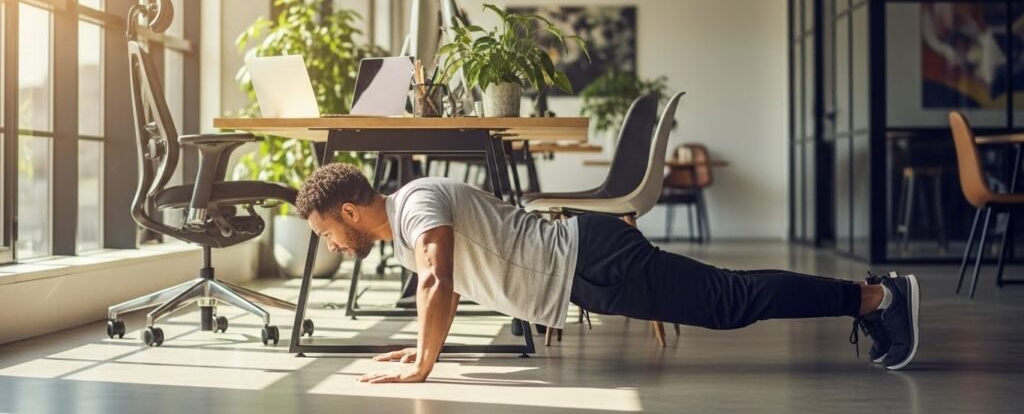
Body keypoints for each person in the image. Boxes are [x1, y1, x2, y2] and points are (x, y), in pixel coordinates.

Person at [295, 163, 921, 384]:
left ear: (350, 210)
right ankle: (870, 297)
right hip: (583, 268)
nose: (332, 245)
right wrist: (420, 346)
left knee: (730, 301)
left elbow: (437, 279)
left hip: (591, 256)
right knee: (728, 301)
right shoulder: (406, 226)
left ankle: (875, 297)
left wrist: (424, 366)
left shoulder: (415, 204)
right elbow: (449, 289)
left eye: (327, 232)